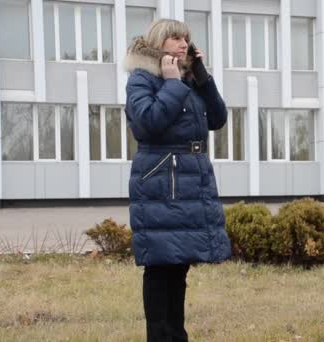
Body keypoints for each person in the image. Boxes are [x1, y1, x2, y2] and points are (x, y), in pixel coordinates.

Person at [123, 19, 232, 342]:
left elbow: (218, 119)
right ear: (159, 42)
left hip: (190, 177)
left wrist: (202, 77)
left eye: (186, 38)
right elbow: (147, 124)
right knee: (160, 265)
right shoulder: (142, 78)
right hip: (162, 180)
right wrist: (171, 83)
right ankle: (160, 336)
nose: (183, 43)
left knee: (178, 263)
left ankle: (176, 336)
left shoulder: (188, 79)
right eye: (175, 38)